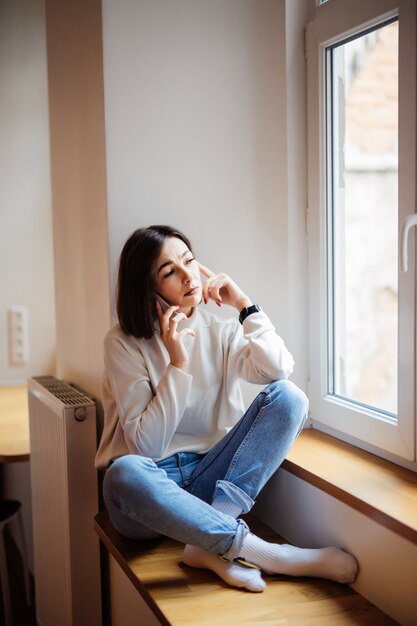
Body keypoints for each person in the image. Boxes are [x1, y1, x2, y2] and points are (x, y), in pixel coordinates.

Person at [95, 225, 358, 592]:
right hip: (150, 499)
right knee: (123, 472)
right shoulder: (122, 343)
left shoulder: (220, 331)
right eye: (170, 271)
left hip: (210, 480)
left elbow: (279, 369)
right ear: (147, 288)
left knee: (290, 397)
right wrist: (178, 363)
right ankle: (269, 554)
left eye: (189, 260)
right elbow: (147, 447)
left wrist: (244, 306)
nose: (188, 275)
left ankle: (209, 543)